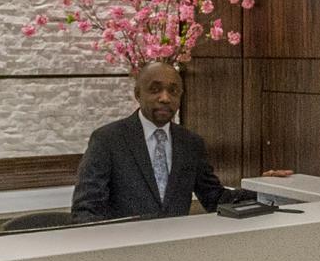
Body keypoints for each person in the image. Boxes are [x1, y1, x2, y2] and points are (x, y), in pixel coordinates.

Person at [72, 60, 226, 220]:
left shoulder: (191, 143)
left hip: (177, 241)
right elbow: (86, 210)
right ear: (137, 94)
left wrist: (253, 192)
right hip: (124, 240)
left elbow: (214, 197)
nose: (165, 98)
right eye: (155, 90)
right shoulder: (108, 139)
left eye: (173, 91)